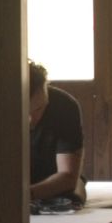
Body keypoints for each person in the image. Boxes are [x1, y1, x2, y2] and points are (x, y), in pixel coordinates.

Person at [28, 59, 85, 203]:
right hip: (10, 183)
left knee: (73, 197)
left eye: (39, 109)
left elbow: (67, 175)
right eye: (23, 112)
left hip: (55, 183)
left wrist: (27, 195)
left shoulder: (65, 106)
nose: (31, 119)